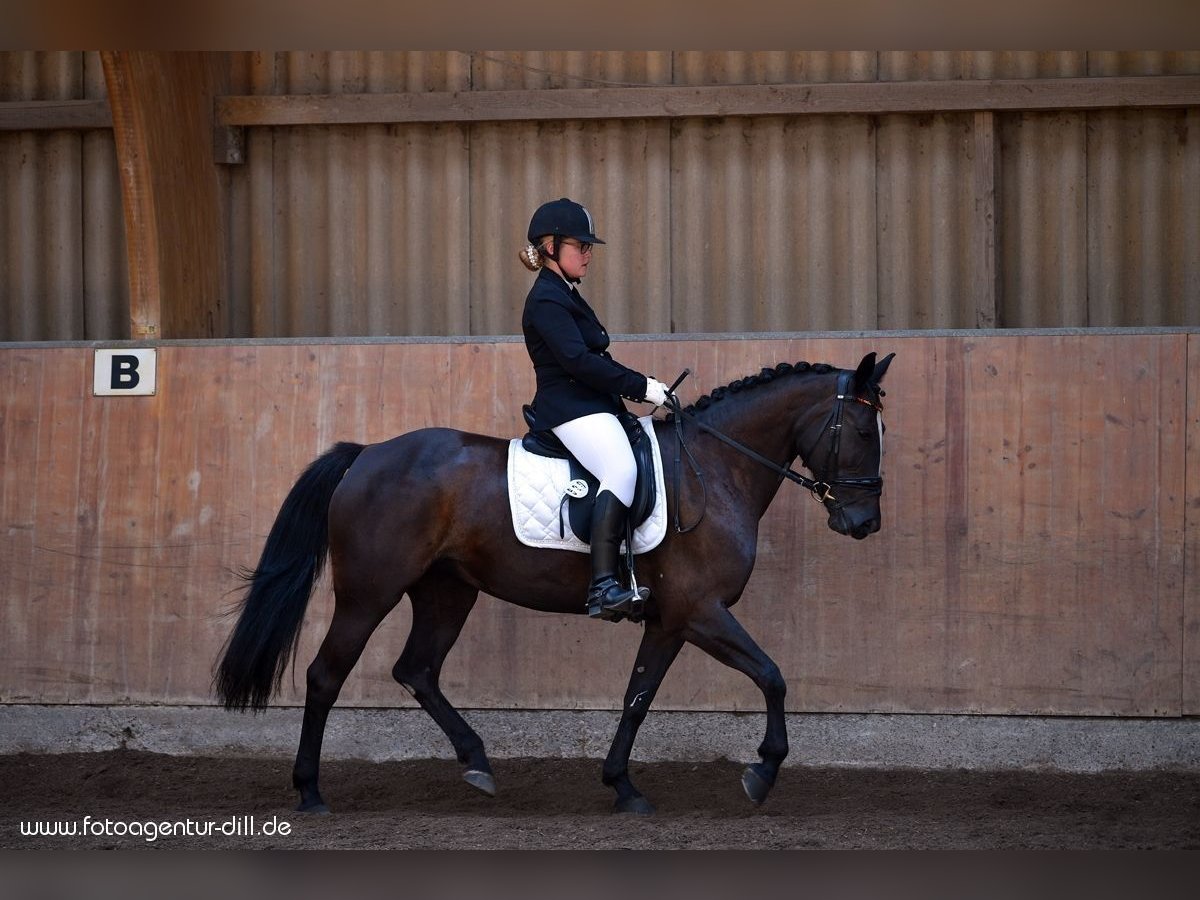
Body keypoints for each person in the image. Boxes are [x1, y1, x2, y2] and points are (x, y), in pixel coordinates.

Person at [519, 197, 671, 620]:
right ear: (550, 247)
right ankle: (603, 586)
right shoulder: (547, 299)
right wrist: (641, 387)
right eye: (580, 246)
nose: (588, 255)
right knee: (621, 469)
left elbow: (598, 362)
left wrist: (647, 386)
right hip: (570, 408)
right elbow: (579, 362)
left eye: (589, 247)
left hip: (592, 404)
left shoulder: (564, 292)